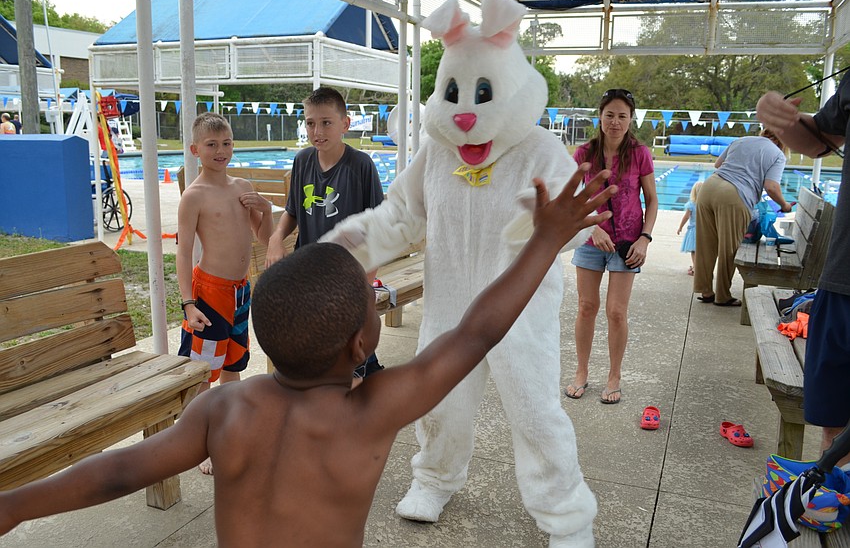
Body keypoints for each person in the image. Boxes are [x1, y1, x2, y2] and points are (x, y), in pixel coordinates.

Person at [0, 170, 617, 547]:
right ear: (359, 345)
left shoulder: (224, 408)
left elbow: (118, 471)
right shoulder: (370, 412)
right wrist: (544, 240)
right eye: (372, 306)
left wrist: (14, 505)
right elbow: (477, 333)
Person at [757, 82, 850, 467]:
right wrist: (780, 118)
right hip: (841, 279)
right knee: (833, 428)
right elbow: (818, 141)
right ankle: (836, 493)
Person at [177, 112, 274, 474]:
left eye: (227, 143)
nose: (221, 150)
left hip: (240, 292)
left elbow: (264, 238)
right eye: (212, 144)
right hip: (210, 293)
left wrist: (266, 211)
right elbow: (183, 253)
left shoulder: (242, 187)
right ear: (195, 150)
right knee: (204, 372)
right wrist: (188, 304)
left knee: (233, 363)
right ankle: (203, 442)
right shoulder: (194, 196)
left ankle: (229, 432)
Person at [265, 87, 385, 379]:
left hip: (349, 279)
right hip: (308, 278)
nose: (317, 131)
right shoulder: (303, 161)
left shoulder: (361, 166)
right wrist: (275, 238)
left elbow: (378, 229)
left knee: (351, 361)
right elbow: (293, 211)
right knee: (312, 355)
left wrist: (364, 285)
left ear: (345, 124)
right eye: (310, 123)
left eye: (326, 122)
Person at [565, 88, 658, 405]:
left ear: (631, 119)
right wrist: (592, 229)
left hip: (628, 243)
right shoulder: (584, 153)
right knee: (586, 307)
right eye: (609, 115)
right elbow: (572, 199)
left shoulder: (640, 154)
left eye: (622, 116)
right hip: (591, 239)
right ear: (600, 117)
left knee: (616, 312)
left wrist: (645, 238)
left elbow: (652, 200)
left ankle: (614, 376)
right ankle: (581, 371)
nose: (615, 122)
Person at [692, 130, 793, 307]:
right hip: (734, 195)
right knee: (729, 248)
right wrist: (784, 205)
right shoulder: (777, 154)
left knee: (705, 244)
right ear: (782, 141)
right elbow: (771, 187)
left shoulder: (741, 140)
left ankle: (705, 290)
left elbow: (718, 164)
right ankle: (723, 296)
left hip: (708, 188)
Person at [677, 181, 702, 276]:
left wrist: (680, 227)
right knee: (700, 251)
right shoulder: (705, 204)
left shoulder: (691, 204)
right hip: (703, 230)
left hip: (693, 230)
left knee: (694, 250)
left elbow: (686, 217)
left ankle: (695, 268)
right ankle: (699, 267)